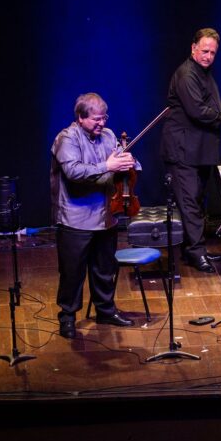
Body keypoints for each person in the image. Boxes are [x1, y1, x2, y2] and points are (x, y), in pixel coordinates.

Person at [159, 27, 221, 273]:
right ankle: (196, 252)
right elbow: (198, 111)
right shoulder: (186, 74)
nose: (208, 56)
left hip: (197, 151)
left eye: (212, 53)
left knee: (197, 201)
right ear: (193, 48)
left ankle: (193, 250)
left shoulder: (203, 73)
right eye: (204, 51)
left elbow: (210, 104)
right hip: (183, 151)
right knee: (190, 202)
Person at [50, 92, 140, 339]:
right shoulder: (67, 138)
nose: (102, 123)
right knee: (72, 272)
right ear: (80, 117)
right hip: (76, 218)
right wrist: (108, 166)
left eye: (104, 118)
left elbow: (124, 162)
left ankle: (105, 311)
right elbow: (74, 172)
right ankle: (68, 317)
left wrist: (130, 162)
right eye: (96, 119)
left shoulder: (109, 135)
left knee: (104, 268)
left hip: (106, 215)